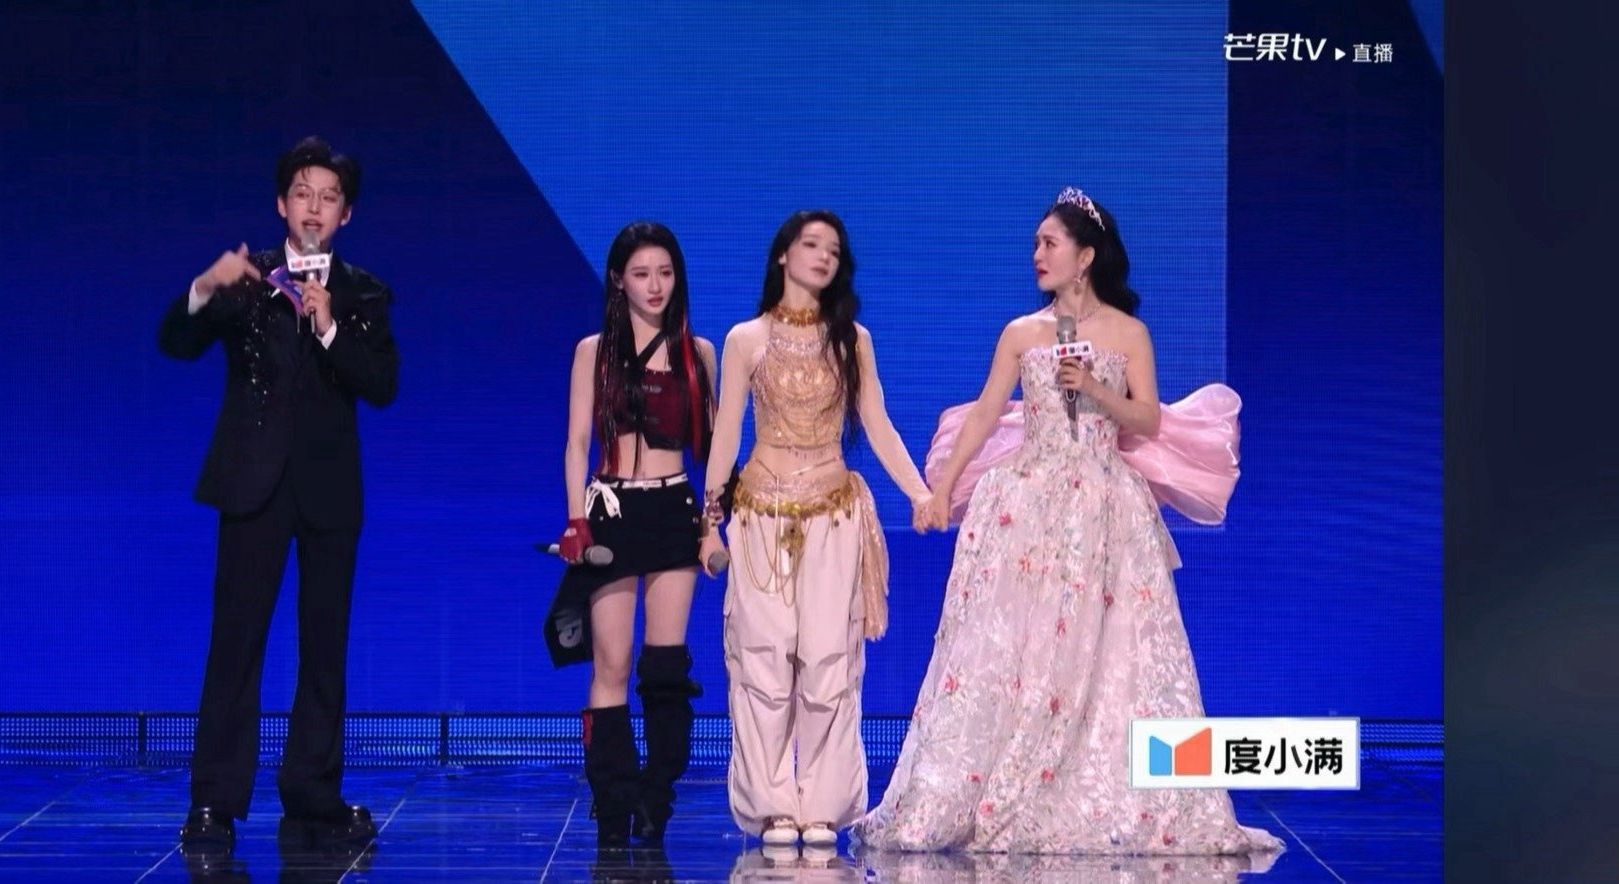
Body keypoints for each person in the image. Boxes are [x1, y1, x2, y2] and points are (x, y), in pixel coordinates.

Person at [852, 188, 1283, 858]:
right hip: (1028, 506)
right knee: (1015, 651)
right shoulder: (1021, 334)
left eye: (1049, 243)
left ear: (1085, 256)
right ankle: (998, 784)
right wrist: (940, 491)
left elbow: (1148, 419)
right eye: (1035, 244)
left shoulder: (1128, 334)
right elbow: (987, 413)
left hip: (1106, 507)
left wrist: (1099, 389)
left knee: (1117, 654)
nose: (1037, 255)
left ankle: (1106, 789)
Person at [157, 136, 398, 851]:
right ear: (281, 205)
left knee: (324, 648)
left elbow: (382, 384)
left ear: (346, 214)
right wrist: (206, 284)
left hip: (329, 489)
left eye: (329, 197)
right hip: (252, 482)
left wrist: (329, 327)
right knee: (235, 643)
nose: (314, 207)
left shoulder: (362, 293)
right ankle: (214, 801)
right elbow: (175, 342)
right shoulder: (248, 279)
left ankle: (313, 793)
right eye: (302, 193)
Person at [698, 209, 934, 851]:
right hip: (760, 516)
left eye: (834, 248)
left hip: (833, 514)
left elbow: (876, 422)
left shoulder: (852, 339)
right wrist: (709, 519)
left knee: (830, 661)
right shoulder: (746, 338)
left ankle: (823, 805)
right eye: (811, 244)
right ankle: (773, 806)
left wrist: (918, 492)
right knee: (762, 659)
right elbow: (726, 433)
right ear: (783, 255)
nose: (824, 256)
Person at [544, 221, 717, 847]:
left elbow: (713, 453)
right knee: (611, 661)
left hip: (673, 509)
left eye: (665, 273)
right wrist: (575, 519)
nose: (655, 285)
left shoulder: (699, 354)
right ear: (619, 280)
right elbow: (576, 443)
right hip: (610, 512)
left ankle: (657, 794)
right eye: (642, 274)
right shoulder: (593, 352)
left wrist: (712, 526)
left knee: (664, 665)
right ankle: (612, 800)